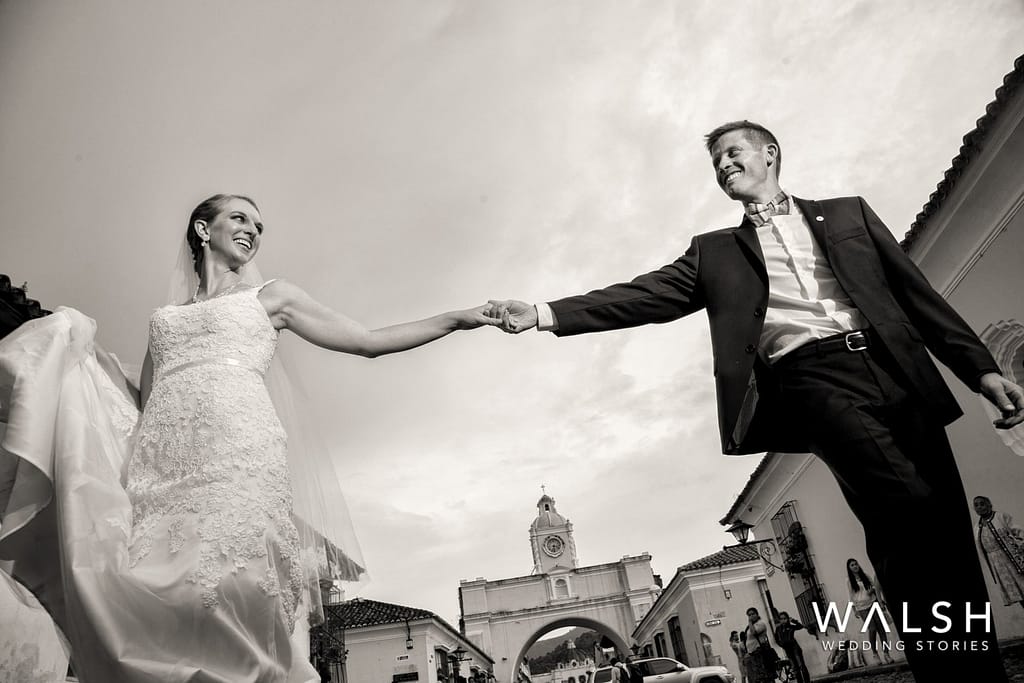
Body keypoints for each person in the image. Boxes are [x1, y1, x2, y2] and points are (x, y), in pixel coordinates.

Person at [487, 120, 1024, 682]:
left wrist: (980, 368)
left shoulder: (848, 214)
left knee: (940, 526)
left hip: (897, 369)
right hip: (813, 379)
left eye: (731, 152)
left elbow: (916, 295)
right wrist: (545, 314)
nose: (722, 165)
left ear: (770, 154)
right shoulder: (716, 253)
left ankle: (970, 668)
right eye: (715, 160)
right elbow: (642, 295)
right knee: (907, 508)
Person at [0, 194, 499, 682]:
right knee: (155, 587)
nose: (253, 232)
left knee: (234, 579)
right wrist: (88, 377)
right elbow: (148, 403)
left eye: (259, 228)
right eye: (240, 219)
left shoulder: (273, 297)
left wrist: (459, 318)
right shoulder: (164, 319)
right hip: (165, 465)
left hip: (239, 445)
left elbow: (367, 342)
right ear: (203, 229)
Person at [974, 495, 1024, 611]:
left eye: (982, 503)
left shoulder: (1000, 517)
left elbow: (1018, 531)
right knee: (1019, 595)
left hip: (1013, 561)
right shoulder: (977, 527)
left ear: (989, 505)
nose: (980, 507)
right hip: (999, 566)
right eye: (976, 505)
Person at [846, 558, 894, 666]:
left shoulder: (865, 575)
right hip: (862, 608)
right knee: (872, 629)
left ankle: (886, 654)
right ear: (849, 568)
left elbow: (875, 586)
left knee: (881, 628)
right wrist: (854, 610)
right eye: (852, 565)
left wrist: (872, 590)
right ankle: (875, 654)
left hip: (873, 602)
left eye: (856, 564)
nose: (855, 566)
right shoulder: (849, 581)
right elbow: (851, 596)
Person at [773, 611, 811, 683]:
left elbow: (800, 626)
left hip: (794, 647)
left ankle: (807, 681)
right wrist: (781, 645)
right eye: (781, 619)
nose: (783, 620)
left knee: (801, 665)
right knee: (795, 667)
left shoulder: (790, 626)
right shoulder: (778, 629)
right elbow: (776, 638)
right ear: (779, 620)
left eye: (785, 618)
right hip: (787, 649)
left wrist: (793, 621)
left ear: (787, 619)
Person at [742, 608, 776, 683]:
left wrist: (749, 622)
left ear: (757, 614)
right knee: (758, 674)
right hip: (753, 653)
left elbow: (754, 632)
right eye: (749, 615)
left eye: (753, 614)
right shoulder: (750, 626)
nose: (751, 616)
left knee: (764, 673)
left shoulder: (761, 623)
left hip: (759, 651)